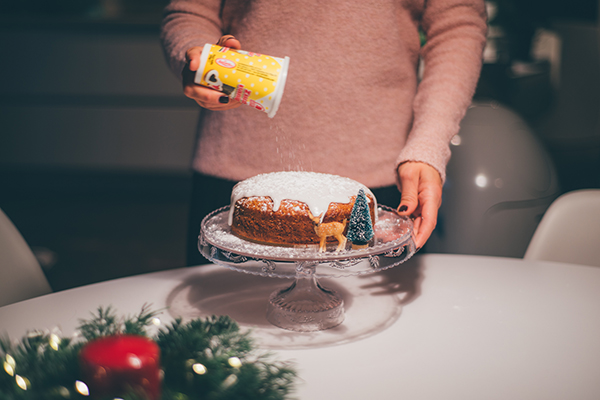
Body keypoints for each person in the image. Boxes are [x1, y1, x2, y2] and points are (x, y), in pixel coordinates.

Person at [160, 0, 488, 266]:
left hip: (375, 185)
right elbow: (190, 11)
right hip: (238, 176)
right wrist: (197, 60)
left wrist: (428, 144)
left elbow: (457, 25)